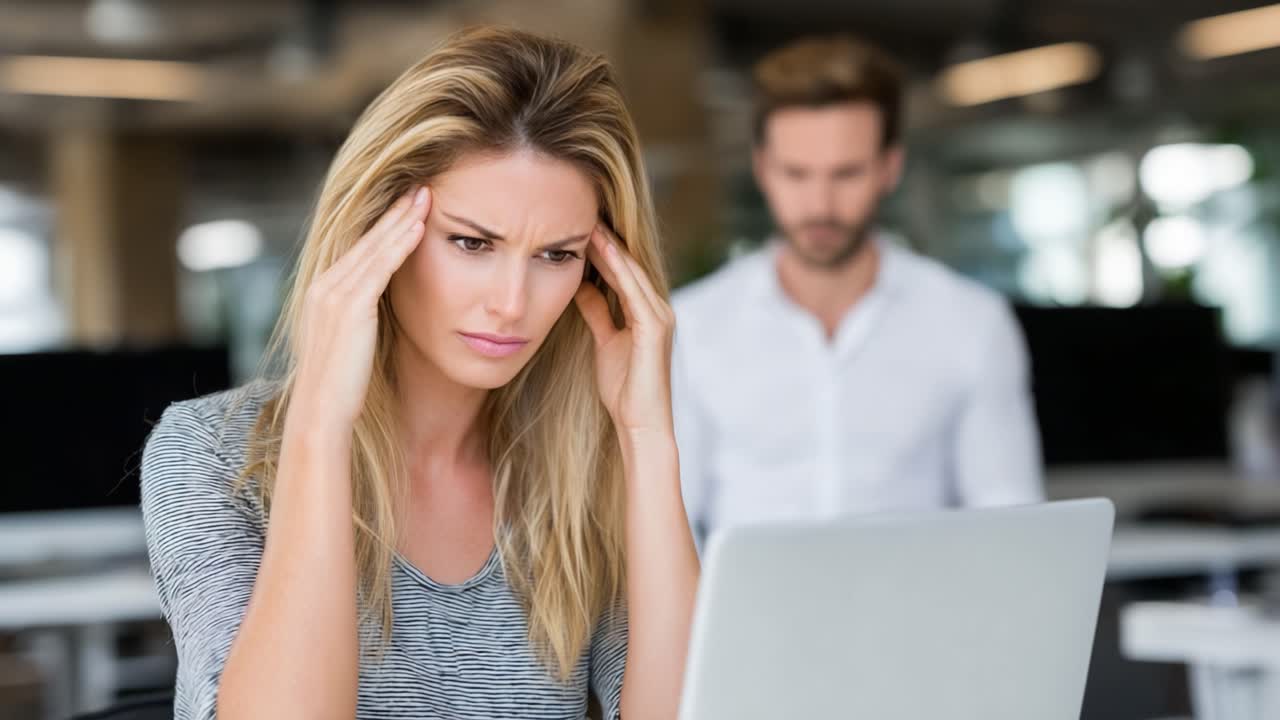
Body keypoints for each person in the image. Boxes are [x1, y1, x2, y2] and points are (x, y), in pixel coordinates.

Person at [141, 27, 698, 720]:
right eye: (471, 242)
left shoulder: (585, 470)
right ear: (377, 232)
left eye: (556, 255)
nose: (511, 303)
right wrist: (320, 426)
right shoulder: (213, 453)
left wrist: (647, 438)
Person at [672, 34, 1044, 547]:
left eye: (846, 174)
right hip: (744, 625)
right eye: (796, 174)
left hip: (918, 622)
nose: (820, 204)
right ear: (762, 168)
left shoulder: (972, 323)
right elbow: (671, 528)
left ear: (889, 167)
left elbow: (1012, 526)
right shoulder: (690, 327)